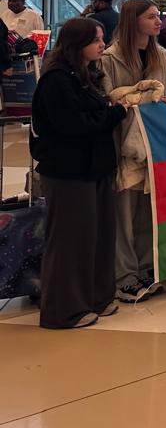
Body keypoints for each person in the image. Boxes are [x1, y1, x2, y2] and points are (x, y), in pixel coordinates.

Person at [30, 18, 131, 329]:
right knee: (71, 240)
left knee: (99, 235)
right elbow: (74, 126)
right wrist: (116, 113)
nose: (102, 45)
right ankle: (64, 309)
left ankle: (97, 297)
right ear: (78, 43)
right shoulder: (57, 81)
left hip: (95, 167)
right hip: (69, 171)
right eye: (96, 40)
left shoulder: (86, 76)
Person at [99, 0, 166, 303]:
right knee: (124, 214)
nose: (158, 21)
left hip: (153, 145)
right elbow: (108, 98)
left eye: (158, 16)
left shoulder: (163, 56)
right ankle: (124, 276)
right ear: (133, 21)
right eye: (151, 17)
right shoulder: (109, 58)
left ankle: (147, 267)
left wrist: (160, 102)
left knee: (148, 211)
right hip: (122, 145)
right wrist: (138, 99)